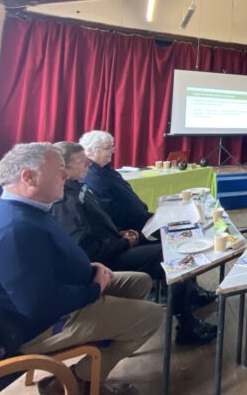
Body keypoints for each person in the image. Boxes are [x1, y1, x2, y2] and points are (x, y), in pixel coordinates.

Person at [0, 143, 163, 395]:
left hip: (65, 290)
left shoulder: (25, 210)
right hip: (44, 322)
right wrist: (94, 288)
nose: (65, 175)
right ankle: (78, 382)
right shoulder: (15, 229)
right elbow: (40, 305)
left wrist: (89, 267)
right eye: (59, 169)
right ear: (28, 176)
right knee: (152, 316)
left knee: (139, 282)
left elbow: (47, 260)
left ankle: (102, 350)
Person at [51, 142, 217, 345]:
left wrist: (118, 234)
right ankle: (187, 325)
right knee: (172, 255)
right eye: (81, 161)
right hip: (106, 261)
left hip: (115, 242)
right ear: (64, 168)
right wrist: (123, 243)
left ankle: (189, 296)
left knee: (171, 238)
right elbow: (86, 248)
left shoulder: (78, 187)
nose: (87, 164)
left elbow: (96, 225)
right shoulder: (67, 200)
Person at [79, 130, 153, 234]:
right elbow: (109, 210)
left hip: (139, 220)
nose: (113, 151)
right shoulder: (93, 176)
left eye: (112, 147)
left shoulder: (104, 169)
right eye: (108, 148)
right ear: (91, 150)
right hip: (130, 228)